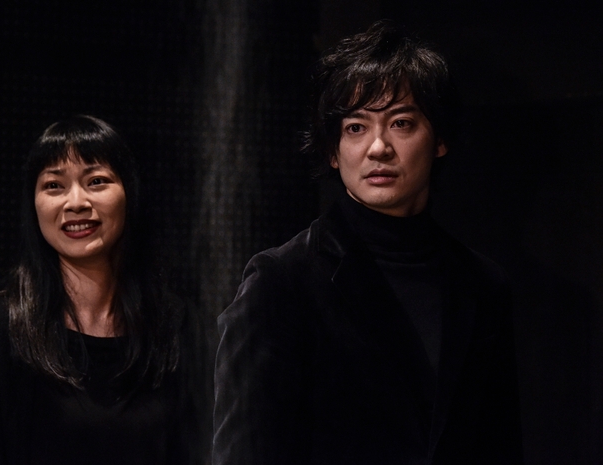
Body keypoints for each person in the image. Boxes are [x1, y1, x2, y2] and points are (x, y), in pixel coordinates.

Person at [213, 21, 523, 464]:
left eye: (401, 123)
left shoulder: (483, 286)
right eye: (356, 127)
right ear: (333, 151)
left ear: (439, 139)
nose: (378, 148)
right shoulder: (281, 282)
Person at [0, 115, 208, 465]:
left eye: (96, 181)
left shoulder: (179, 327)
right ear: (33, 204)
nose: (76, 202)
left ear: (129, 193)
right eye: (54, 185)